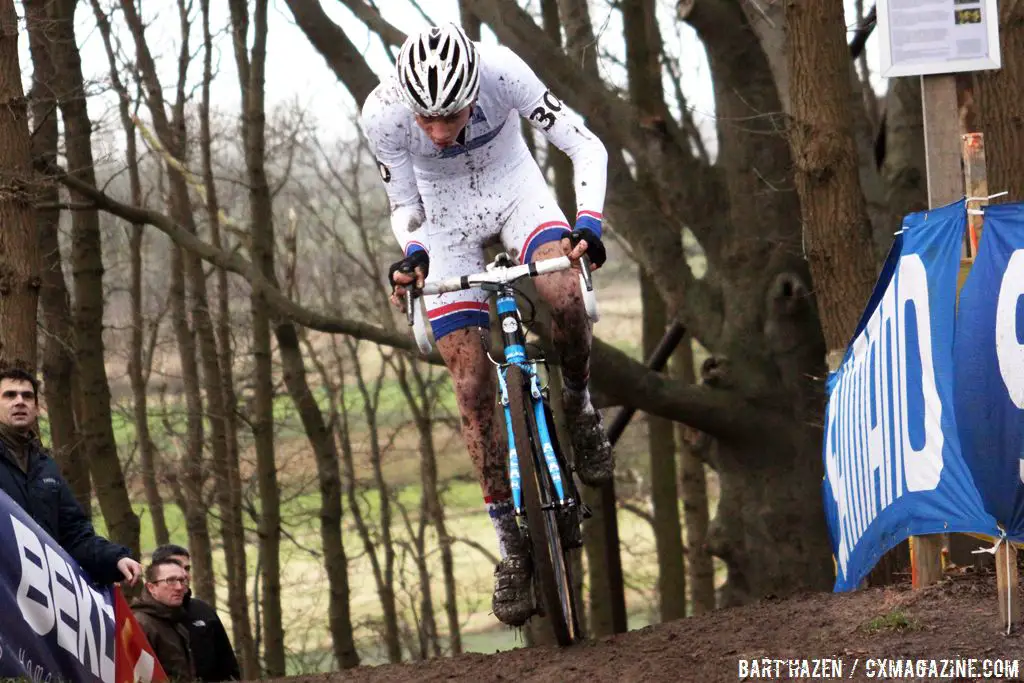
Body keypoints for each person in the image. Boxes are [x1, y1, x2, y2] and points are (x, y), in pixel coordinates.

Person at [360, 23, 613, 627]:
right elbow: (405, 208)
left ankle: (577, 408)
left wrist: (590, 224)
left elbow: (586, 146)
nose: (440, 132)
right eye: (428, 120)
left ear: (476, 89)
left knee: (565, 296)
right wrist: (415, 255)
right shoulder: (383, 112)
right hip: (442, 223)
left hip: (516, 193)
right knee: (472, 387)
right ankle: (511, 545)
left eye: (452, 116)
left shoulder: (503, 69)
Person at [0, 367, 142, 585]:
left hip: (37, 593)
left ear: (37, 408)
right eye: (10, 395)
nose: (20, 401)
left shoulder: (46, 468)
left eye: (27, 396)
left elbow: (74, 533)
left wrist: (114, 558)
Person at [152, 543, 240, 682]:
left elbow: (228, 666)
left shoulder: (203, 610)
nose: (183, 574)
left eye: (187, 568)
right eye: (177, 568)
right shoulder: (145, 619)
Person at [132, 559, 195, 681]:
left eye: (182, 580)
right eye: (170, 581)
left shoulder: (175, 620)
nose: (179, 587)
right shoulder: (141, 624)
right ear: (151, 587)